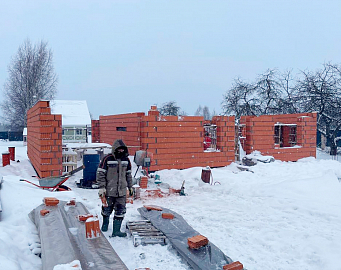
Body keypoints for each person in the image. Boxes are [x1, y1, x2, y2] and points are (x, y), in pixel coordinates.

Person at [96, 139, 133, 237]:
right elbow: (101, 174)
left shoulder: (126, 160)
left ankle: (116, 231)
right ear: (115, 149)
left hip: (121, 191)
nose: (121, 151)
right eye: (119, 149)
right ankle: (105, 224)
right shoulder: (107, 159)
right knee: (107, 209)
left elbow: (128, 175)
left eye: (122, 150)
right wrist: (102, 187)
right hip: (109, 190)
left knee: (120, 210)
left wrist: (130, 187)